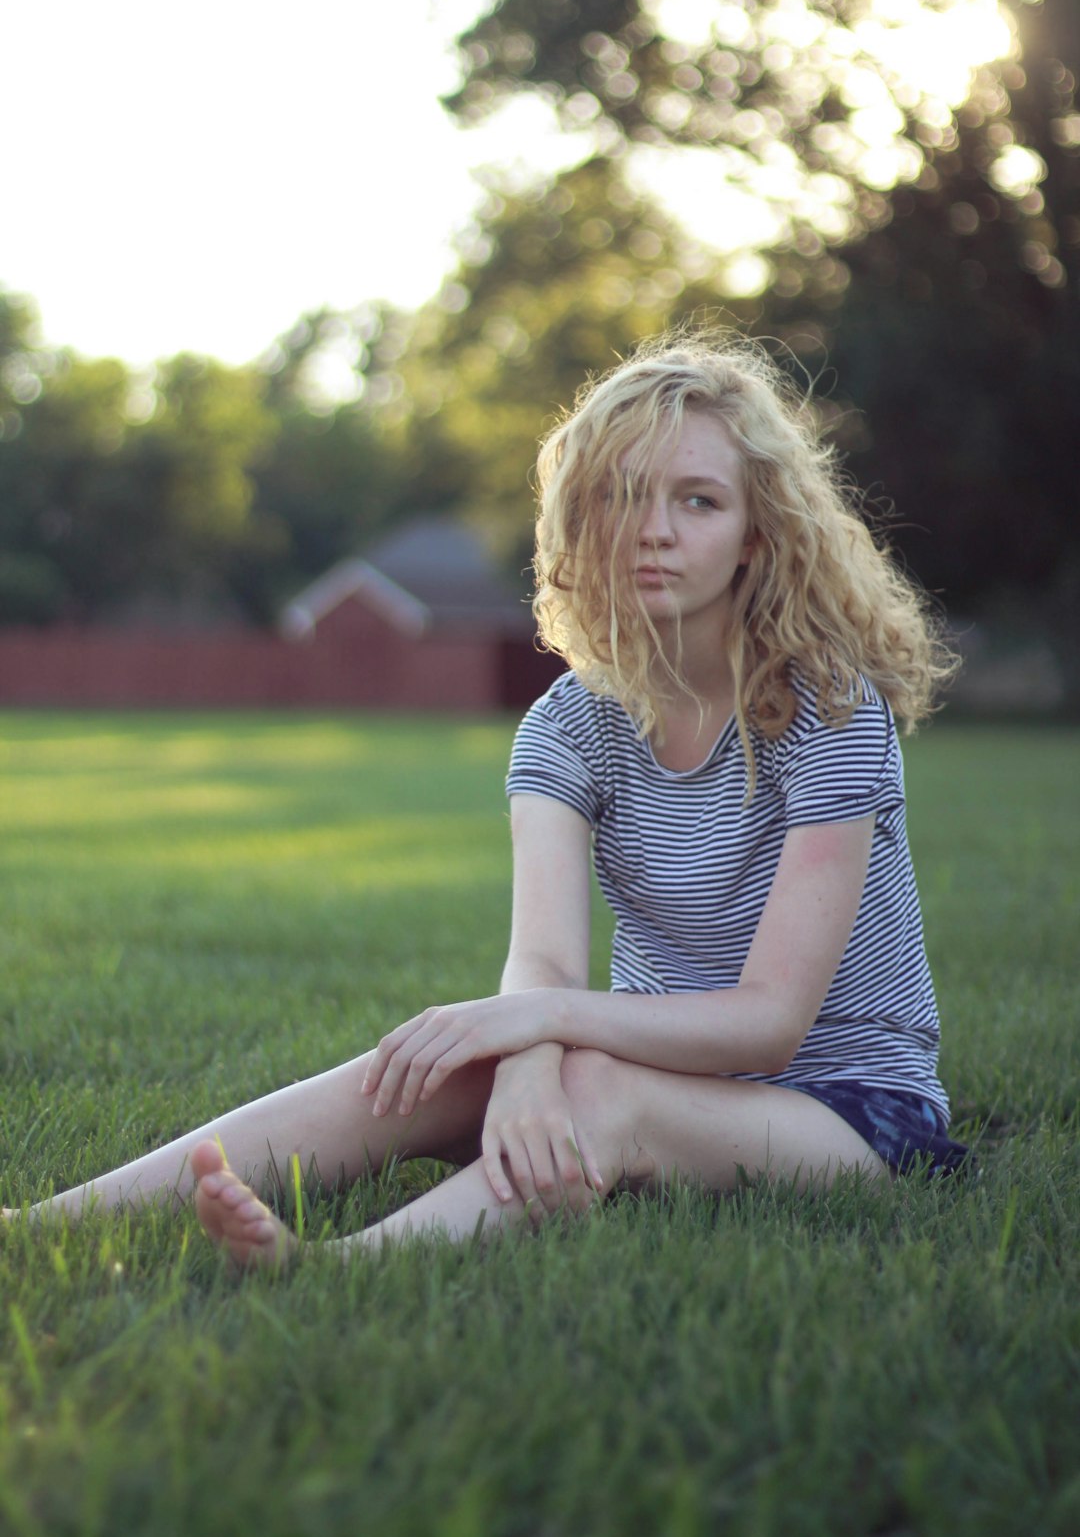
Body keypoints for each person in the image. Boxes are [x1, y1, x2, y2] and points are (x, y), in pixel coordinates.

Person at [4, 334, 968, 1269]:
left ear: (756, 535)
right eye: (623, 496)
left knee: (589, 1083)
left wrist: (537, 1037)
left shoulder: (829, 710)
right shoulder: (567, 724)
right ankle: (42, 1226)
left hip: (846, 1113)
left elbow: (769, 1021)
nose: (656, 530)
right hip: (656, 1069)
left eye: (699, 501)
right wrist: (522, 1063)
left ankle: (335, 1270)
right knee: (425, 1066)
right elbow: (543, 961)